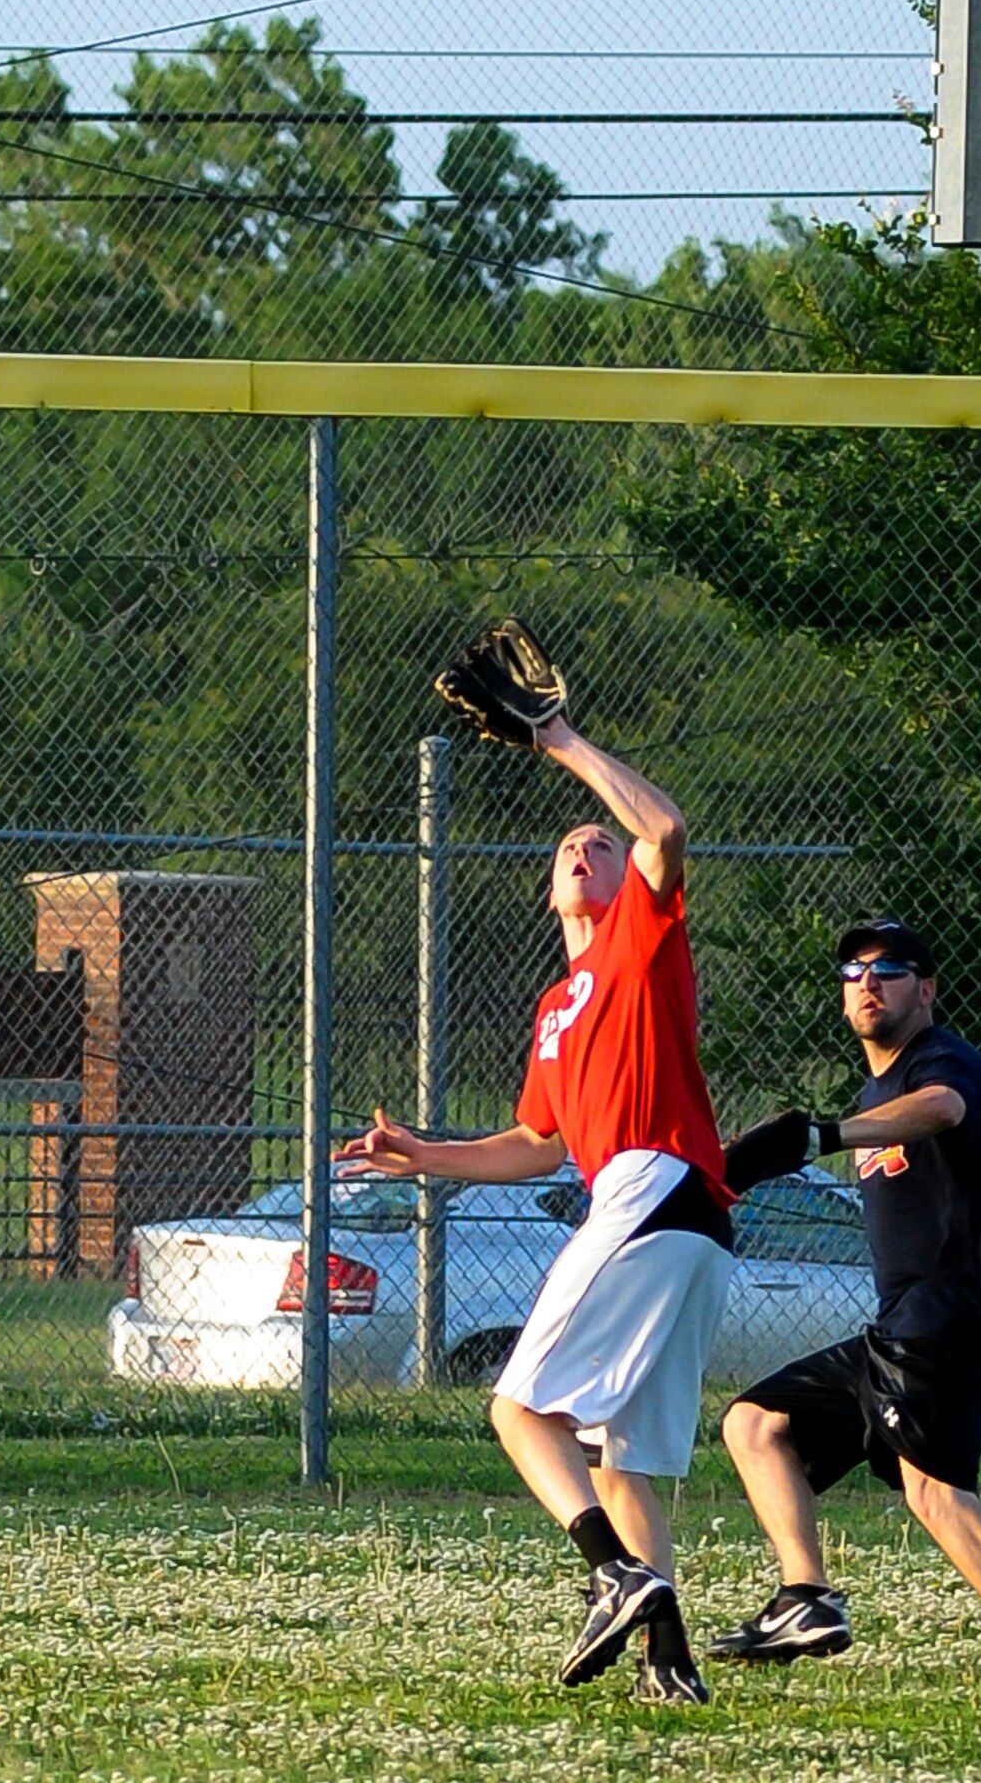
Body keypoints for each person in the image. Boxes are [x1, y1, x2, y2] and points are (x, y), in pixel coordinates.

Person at [336, 715, 735, 1705]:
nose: (584, 846)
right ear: (549, 890)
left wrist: (558, 739)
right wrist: (423, 1154)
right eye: (568, 846)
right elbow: (537, 1142)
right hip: (682, 1219)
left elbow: (665, 828)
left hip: (652, 1186)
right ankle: (669, 1666)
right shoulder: (555, 1004)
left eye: (599, 842)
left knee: (518, 1409)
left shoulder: (638, 940)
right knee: (621, 1458)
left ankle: (614, 1572)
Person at [708, 919, 981, 1686]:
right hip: (908, 1325)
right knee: (755, 1422)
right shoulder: (875, 1089)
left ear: (924, 989)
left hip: (942, 1319)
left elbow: (947, 1109)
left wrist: (826, 1133)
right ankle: (805, 1597)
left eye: (888, 968)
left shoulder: (940, 1061)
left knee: (933, 1489)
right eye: (853, 971)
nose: (867, 982)